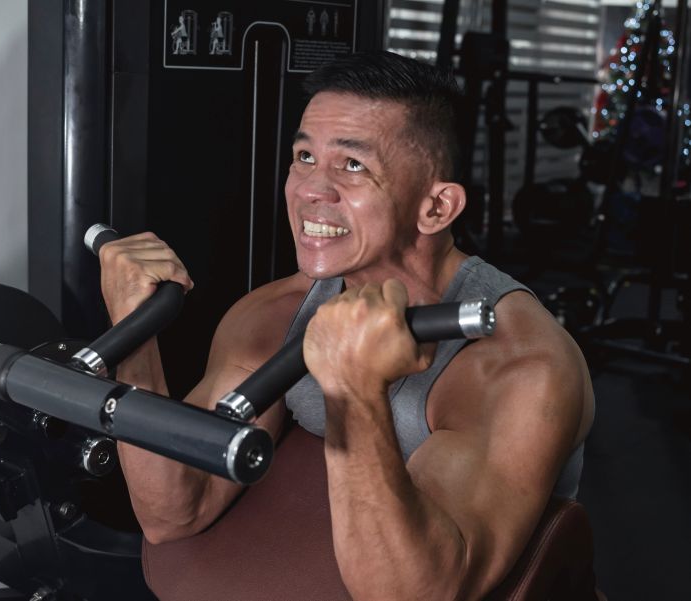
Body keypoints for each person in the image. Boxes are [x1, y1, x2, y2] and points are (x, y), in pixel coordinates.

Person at [99, 51, 594, 600]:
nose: (312, 188)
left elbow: (414, 596)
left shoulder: (520, 365)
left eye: (352, 166)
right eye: (304, 155)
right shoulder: (273, 315)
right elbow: (174, 512)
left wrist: (356, 390)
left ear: (435, 208)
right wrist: (135, 335)